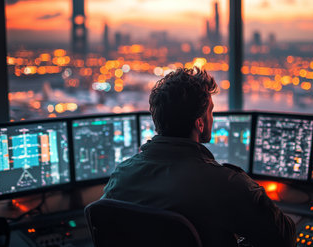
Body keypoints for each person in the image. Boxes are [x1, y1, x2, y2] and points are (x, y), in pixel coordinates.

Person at [102, 67, 296, 247]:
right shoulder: (228, 184)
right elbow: (285, 239)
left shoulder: (120, 177)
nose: (212, 117)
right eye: (210, 111)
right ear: (200, 124)